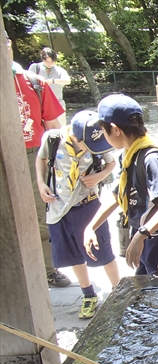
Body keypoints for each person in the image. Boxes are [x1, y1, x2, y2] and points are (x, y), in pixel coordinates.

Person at [83, 94, 158, 275]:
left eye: (104, 132)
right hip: (144, 238)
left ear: (115, 129)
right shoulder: (128, 156)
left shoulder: (151, 159)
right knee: (144, 292)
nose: (105, 137)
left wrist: (141, 235)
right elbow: (117, 196)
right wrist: (91, 226)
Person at [35, 111, 120, 319]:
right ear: (75, 137)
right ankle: (88, 294)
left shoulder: (98, 143)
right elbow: (41, 158)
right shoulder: (53, 138)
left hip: (88, 206)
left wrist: (98, 177)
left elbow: (111, 163)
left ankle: (120, 292)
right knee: (73, 254)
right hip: (59, 207)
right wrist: (41, 183)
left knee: (103, 252)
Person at [7, 33, 71, 287]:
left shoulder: (34, 82)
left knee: (39, 214)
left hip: (33, 154)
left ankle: (47, 268)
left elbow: (53, 127)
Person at [28, 47, 71, 127]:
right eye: (47, 61)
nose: (49, 64)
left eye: (52, 61)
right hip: (41, 105)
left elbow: (68, 81)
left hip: (57, 104)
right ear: (42, 59)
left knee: (60, 129)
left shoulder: (59, 70)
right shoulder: (35, 67)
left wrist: (53, 81)